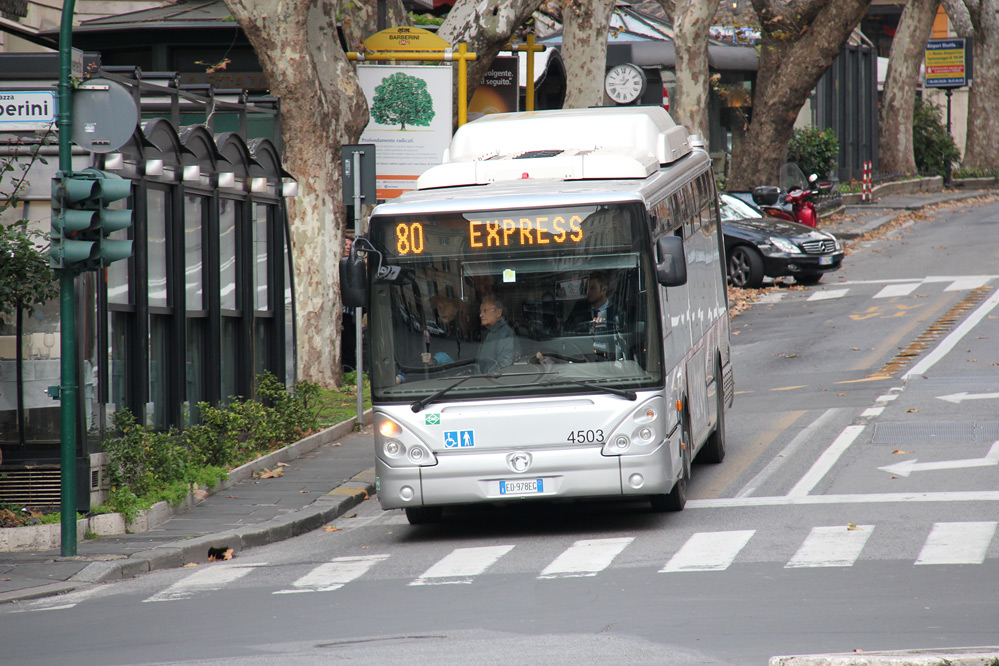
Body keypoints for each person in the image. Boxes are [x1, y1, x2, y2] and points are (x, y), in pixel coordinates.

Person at [476, 297, 514, 373]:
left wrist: (486, 378)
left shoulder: (505, 333)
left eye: (485, 311)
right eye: (481, 311)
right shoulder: (489, 331)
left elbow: (505, 365)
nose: (481, 315)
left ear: (498, 313)